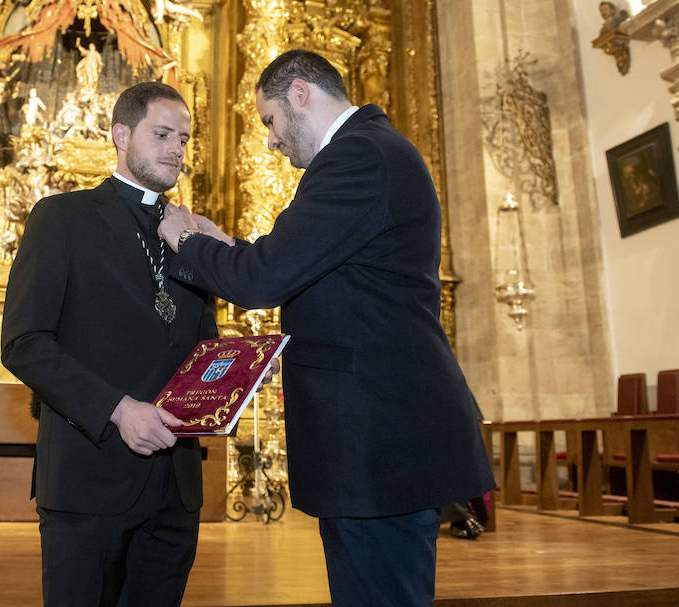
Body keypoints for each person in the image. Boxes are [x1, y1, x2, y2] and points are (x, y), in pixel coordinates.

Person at [158, 50, 495, 606]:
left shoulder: (357, 156)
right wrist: (227, 246)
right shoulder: (371, 151)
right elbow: (303, 262)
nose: (270, 139)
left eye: (268, 120)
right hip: (376, 440)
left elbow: (267, 278)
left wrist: (186, 239)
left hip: (379, 439)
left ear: (299, 94)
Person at [1, 81, 218, 607]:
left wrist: (232, 380)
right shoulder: (62, 218)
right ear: (121, 134)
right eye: (162, 134)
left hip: (175, 486)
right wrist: (119, 410)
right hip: (88, 477)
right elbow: (24, 343)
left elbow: (203, 350)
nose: (177, 150)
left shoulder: (192, 234)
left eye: (185, 139)